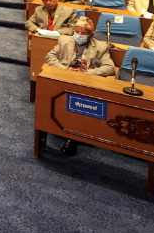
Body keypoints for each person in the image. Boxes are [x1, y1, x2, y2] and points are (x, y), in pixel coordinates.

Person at [46, 17, 116, 154]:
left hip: (86, 82)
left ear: (91, 34)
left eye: (83, 33)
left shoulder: (101, 47)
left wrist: (88, 73)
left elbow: (110, 68)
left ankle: (73, 137)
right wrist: (63, 70)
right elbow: (49, 57)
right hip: (65, 78)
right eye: (77, 31)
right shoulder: (64, 40)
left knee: (79, 103)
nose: (80, 35)